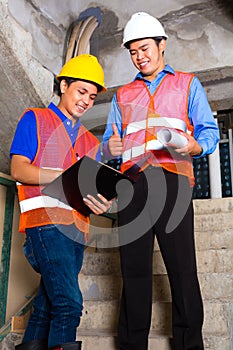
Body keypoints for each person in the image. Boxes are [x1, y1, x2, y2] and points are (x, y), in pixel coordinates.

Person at [102, 12, 220, 350]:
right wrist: (109, 148)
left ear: (161, 45)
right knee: (134, 270)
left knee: (183, 270)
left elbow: (208, 133)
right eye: (133, 52)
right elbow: (113, 144)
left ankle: (188, 344)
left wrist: (193, 145)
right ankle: (132, 344)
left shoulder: (187, 83)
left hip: (174, 182)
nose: (140, 57)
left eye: (144, 49)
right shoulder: (122, 95)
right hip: (133, 185)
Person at [10, 54, 113, 350]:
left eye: (92, 97)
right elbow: (19, 169)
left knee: (45, 306)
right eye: (81, 92)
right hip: (44, 224)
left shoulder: (89, 141)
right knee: (69, 302)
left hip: (77, 230)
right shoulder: (35, 119)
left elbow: (89, 189)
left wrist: (102, 203)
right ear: (63, 85)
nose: (86, 101)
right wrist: (60, 174)